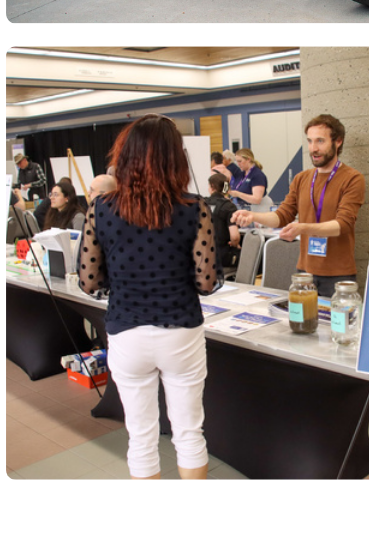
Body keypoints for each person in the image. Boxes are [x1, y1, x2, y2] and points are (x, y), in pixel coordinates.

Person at [77, 115, 217, 479]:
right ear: (176, 158)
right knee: (189, 433)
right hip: (181, 330)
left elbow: (88, 281)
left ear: (125, 158)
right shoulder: (194, 207)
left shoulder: (101, 209)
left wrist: (121, 273)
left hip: (127, 330)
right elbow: (205, 282)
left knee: (140, 437)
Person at [232, 115, 364, 297]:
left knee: (337, 325)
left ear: (338, 141)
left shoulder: (352, 178)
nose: (313, 148)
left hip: (338, 276)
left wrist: (302, 228)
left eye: (320, 141)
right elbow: (282, 215)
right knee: (302, 324)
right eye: (309, 141)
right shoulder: (302, 178)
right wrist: (253, 216)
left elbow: (343, 224)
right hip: (304, 274)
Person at [204, 173, 239, 273]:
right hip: (222, 256)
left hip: (202, 256)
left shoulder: (202, 203)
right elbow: (235, 236)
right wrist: (235, 244)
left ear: (212, 186)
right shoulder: (229, 206)